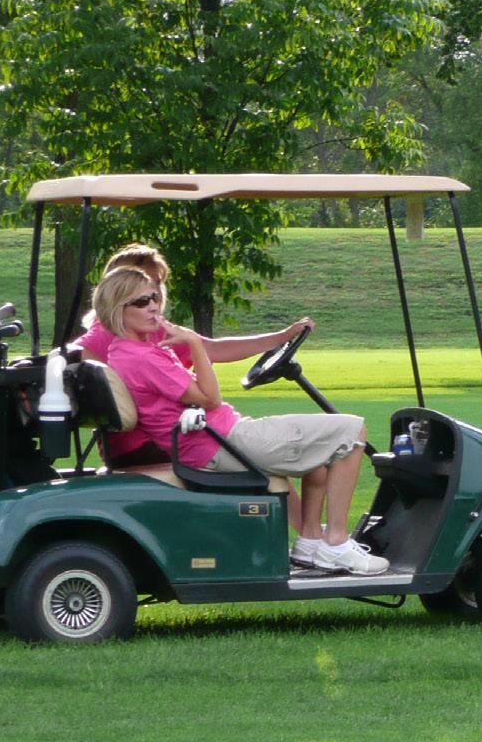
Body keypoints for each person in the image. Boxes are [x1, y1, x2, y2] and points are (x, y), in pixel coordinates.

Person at [91, 266, 388, 575]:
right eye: (142, 302)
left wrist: (279, 337)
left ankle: (310, 540)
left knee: (318, 449)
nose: (154, 306)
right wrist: (194, 343)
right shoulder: (144, 358)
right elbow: (210, 399)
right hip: (221, 442)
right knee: (351, 430)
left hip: (214, 438)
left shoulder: (127, 352)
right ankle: (336, 543)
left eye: (155, 297)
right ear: (117, 310)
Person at [74, 243, 313, 470]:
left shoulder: (148, 331)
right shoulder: (105, 338)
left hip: (172, 435)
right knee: (269, 467)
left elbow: (213, 349)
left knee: (276, 462)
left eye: (156, 284)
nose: (155, 294)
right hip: (145, 444)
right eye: (144, 285)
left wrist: (281, 337)